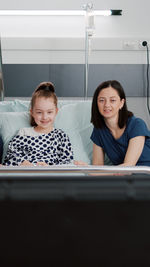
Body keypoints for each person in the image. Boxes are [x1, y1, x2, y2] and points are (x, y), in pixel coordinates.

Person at [4, 82, 74, 166]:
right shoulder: (24, 133)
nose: (44, 117)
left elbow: (67, 163)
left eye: (49, 112)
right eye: (39, 112)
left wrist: (49, 168)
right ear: (32, 113)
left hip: (51, 175)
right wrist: (23, 163)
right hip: (27, 174)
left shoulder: (60, 136)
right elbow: (11, 155)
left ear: (56, 112)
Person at [90, 80, 150, 166]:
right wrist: (86, 169)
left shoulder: (136, 125)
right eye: (102, 100)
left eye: (112, 100)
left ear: (121, 103)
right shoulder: (99, 130)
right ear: (96, 103)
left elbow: (128, 167)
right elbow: (97, 167)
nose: (107, 105)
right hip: (125, 177)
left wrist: (93, 171)